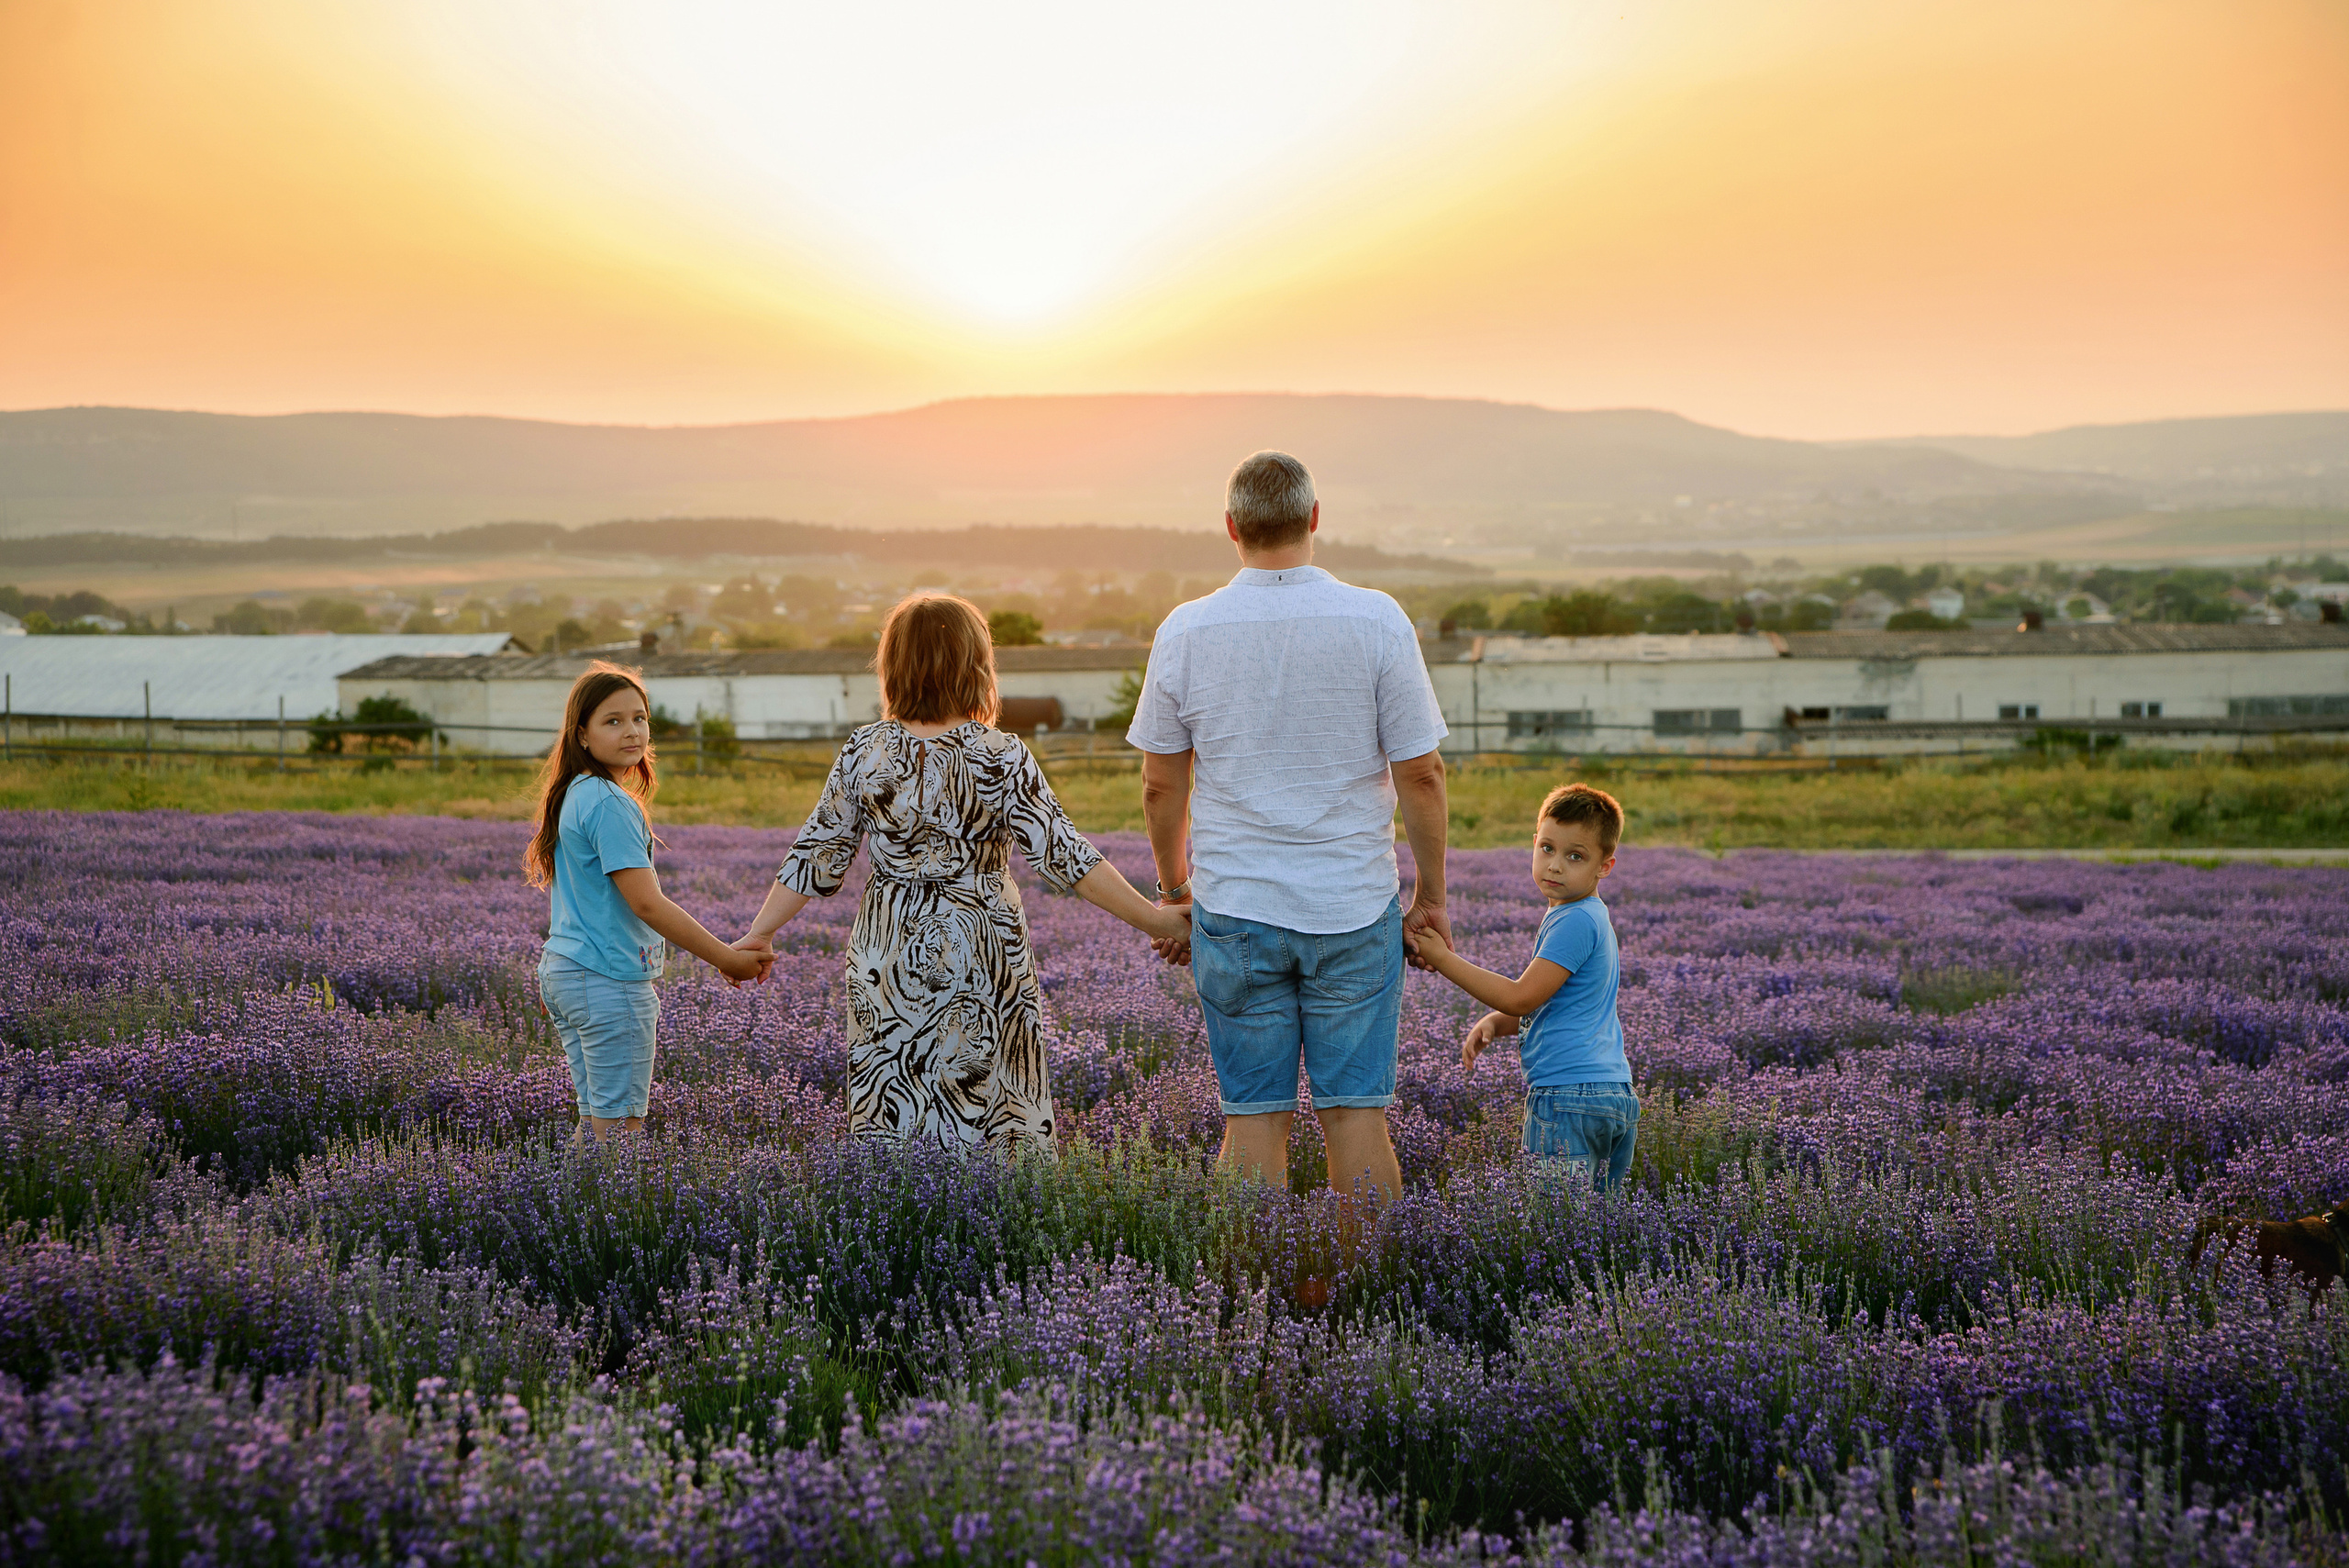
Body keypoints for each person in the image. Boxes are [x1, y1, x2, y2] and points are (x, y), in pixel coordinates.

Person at [733, 593, 1191, 1156]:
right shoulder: (999, 755)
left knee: (894, 1095)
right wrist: (1157, 919)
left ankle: (900, 1229)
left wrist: (759, 932)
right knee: (992, 1097)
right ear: (976, 664)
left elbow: (816, 853)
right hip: (982, 942)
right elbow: (1066, 856)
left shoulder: (863, 752)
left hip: (889, 950)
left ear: (893, 665)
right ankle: (997, 1230)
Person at [1128, 450, 1451, 1204]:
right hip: (1352, 908)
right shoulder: (1376, 619)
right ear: (1313, 519)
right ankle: (1367, 1310)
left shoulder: (1185, 630)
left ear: (1232, 528)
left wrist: (1177, 890)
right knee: (1356, 1116)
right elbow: (1423, 775)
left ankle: (1246, 1308)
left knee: (1252, 1124)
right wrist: (1430, 896)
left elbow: (1158, 783)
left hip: (1235, 910)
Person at [527, 662, 773, 1142]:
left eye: (639, 718)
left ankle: (556, 1212)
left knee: (596, 1123)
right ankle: (600, 1218)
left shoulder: (575, 793)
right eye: (612, 721)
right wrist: (728, 958)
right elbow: (647, 905)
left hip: (568, 970)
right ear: (581, 734)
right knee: (620, 1132)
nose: (632, 731)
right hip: (608, 979)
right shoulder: (609, 803)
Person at [1404, 783, 1638, 1189]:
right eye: (1547, 848)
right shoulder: (1589, 916)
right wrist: (1498, 1022)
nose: (1556, 866)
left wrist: (1443, 959)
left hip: (1567, 1097)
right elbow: (1560, 1006)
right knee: (1597, 1229)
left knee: (1556, 1227)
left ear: (1605, 866)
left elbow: (1521, 996)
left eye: (1575, 856)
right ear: (1533, 843)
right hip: (1611, 1095)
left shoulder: (1575, 920)